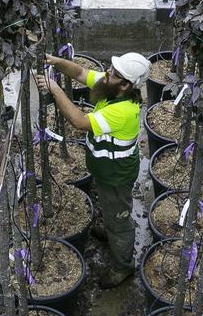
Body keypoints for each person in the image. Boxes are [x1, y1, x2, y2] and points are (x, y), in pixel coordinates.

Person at [35, 51, 150, 288]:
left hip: (116, 177)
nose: (107, 72)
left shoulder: (123, 111)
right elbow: (80, 72)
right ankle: (111, 229)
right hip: (107, 171)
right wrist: (56, 61)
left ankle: (123, 266)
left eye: (114, 73)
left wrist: (55, 89)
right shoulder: (113, 87)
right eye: (110, 68)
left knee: (120, 219)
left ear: (126, 85)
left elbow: (79, 121)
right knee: (111, 209)